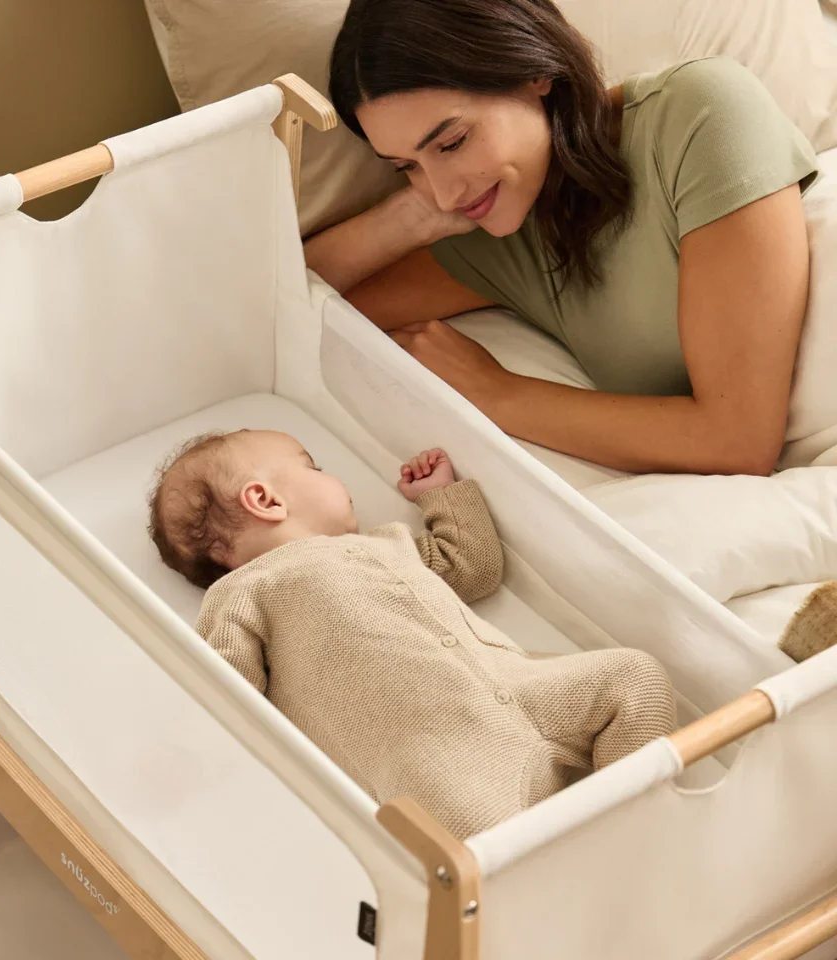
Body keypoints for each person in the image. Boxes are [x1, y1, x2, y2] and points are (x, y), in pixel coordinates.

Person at [305, 0, 820, 477]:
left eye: (453, 142)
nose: (442, 193)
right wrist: (405, 219)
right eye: (407, 166)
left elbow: (737, 440)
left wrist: (495, 393)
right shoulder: (495, 226)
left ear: (535, 72)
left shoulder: (703, 114)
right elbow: (292, 301)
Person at [147, 429, 676, 838]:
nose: (332, 477)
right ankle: (596, 868)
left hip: (524, 688)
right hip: (438, 758)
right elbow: (224, 694)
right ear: (264, 500)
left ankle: (630, 828)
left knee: (635, 677)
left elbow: (472, 567)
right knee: (489, 849)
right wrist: (183, 758)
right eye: (313, 466)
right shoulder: (245, 592)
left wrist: (440, 497)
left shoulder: (389, 544)